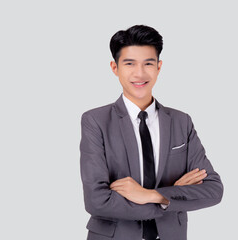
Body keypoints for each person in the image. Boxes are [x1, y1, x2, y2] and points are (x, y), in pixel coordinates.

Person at [79, 25, 224, 240]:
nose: (140, 73)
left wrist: (151, 195)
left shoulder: (181, 122)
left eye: (148, 63)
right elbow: (97, 201)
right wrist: (167, 201)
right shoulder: (95, 121)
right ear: (114, 67)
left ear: (159, 67)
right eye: (129, 64)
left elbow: (213, 190)